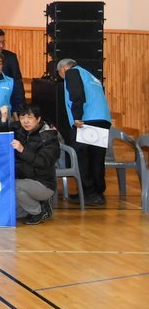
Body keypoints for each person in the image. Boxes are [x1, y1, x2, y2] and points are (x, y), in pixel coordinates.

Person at [58, 58, 112, 206]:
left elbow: (76, 94)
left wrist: (77, 116)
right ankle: (98, 193)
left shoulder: (72, 73)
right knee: (96, 158)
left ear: (63, 69)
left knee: (82, 158)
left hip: (86, 121)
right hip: (101, 119)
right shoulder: (90, 75)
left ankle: (89, 193)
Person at [11, 104, 62, 224]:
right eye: (22, 117)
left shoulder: (48, 137)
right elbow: (2, 132)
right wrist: (3, 119)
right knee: (14, 213)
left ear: (38, 119)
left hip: (44, 184)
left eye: (29, 117)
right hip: (26, 181)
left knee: (12, 186)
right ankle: (42, 204)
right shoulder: (20, 130)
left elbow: (43, 162)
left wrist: (22, 150)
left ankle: (39, 211)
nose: (25, 121)